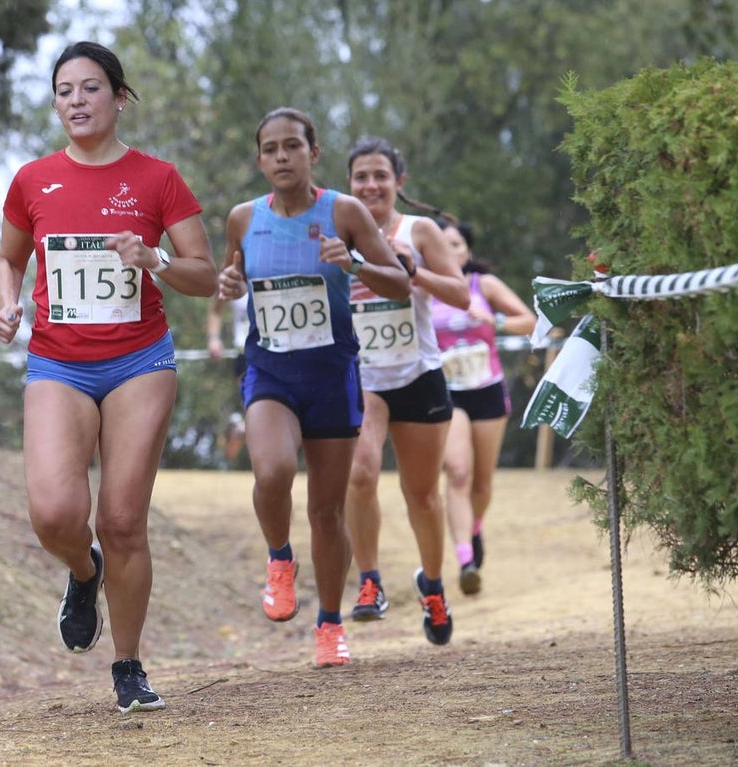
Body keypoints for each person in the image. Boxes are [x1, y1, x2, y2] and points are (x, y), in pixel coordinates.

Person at [0, 41, 217, 714]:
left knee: (123, 519)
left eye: (92, 88)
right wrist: (7, 302)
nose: (78, 101)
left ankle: (128, 665)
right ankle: (82, 572)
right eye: (65, 90)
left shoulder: (158, 179)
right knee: (55, 512)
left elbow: (204, 275)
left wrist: (155, 259)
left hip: (139, 360)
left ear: (119, 98)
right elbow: (7, 260)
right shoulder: (33, 180)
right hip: (58, 359)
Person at [217, 107, 411, 668]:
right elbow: (228, 280)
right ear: (259, 159)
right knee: (273, 470)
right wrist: (228, 283)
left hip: (331, 373)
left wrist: (352, 263)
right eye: (271, 148)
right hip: (271, 370)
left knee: (327, 511)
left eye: (292, 146)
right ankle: (280, 559)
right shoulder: (242, 218)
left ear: (313, 153)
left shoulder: (344, 212)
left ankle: (329, 623)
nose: (281, 156)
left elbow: (399, 281)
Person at [342, 138, 470, 646]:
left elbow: (460, 294)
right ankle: (370, 581)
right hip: (363, 374)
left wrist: (413, 271)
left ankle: (432, 585)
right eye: (360, 177)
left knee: (421, 494)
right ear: (348, 183)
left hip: (418, 374)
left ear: (399, 182)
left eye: (380, 176)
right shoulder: (337, 228)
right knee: (359, 473)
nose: (370, 185)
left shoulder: (421, 231)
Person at [431, 220, 536, 596]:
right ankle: (465, 560)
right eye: (441, 245)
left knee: (482, 482)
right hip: (447, 393)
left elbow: (530, 322)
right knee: (458, 472)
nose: (450, 252)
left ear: (468, 250)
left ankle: (475, 528)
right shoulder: (422, 289)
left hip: (487, 390)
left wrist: (496, 320)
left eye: (456, 244)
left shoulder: (482, 285)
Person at [205, 293, 250, 461]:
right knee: (253, 406)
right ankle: (243, 427)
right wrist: (213, 339)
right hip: (244, 354)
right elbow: (216, 308)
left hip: (279, 354)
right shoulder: (234, 275)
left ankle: (242, 427)